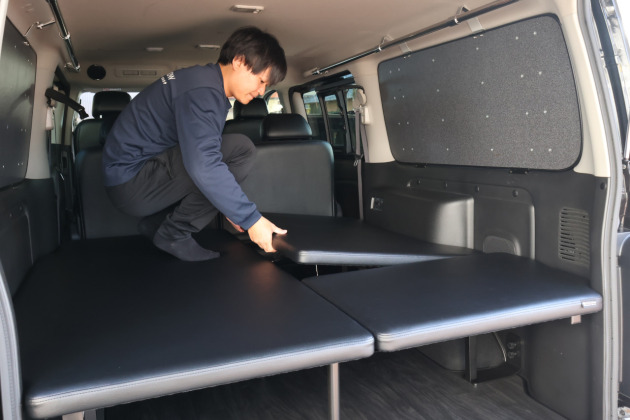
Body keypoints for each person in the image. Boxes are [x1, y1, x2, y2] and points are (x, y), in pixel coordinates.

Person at [102, 26, 287, 261]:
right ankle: (173, 234)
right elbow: (203, 164)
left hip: (131, 179)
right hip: (132, 182)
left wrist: (231, 209)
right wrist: (251, 219)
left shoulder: (202, 83)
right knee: (240, 150)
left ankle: (158, 225)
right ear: (239, 61)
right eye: (261, 81)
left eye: (266, 86)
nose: (261, 91)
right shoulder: (203, 92)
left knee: (219, 156)